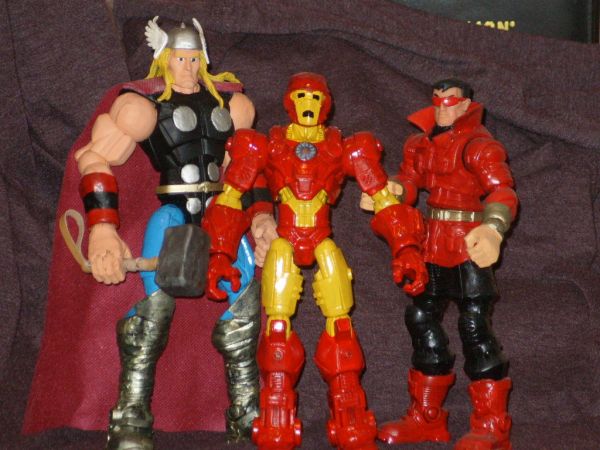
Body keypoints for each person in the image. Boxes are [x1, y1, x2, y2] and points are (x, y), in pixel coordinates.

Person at [74, 17, 276, 449]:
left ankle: (247, 413)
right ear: (163, 59)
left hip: (223, 215)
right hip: (172, 216)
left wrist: (261, 217)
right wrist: (103, 229)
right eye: (180, 58)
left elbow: (250, 166)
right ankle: (130, 414)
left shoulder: (233, 106)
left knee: (244, 312)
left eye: (194, 58)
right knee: (153, 316)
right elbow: (93, 159)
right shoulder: (142, 107)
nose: (188, 67)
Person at [202, 72, 428, 450]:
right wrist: (220, 253)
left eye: (316, 97)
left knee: (341, 325)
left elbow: (383, 198)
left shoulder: (345, 147)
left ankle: (349, 410)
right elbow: (230, 196)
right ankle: (276, 411)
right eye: (301, 97)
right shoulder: (268, 144)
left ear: (327, 103)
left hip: (322, 240)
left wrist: (405, 247)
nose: (309, 104)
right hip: (285, 240)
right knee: (277, 327)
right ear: (289, 102)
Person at [375, 78, 518, 450]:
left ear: (466, 105)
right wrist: (391, 192)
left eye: (450, 101)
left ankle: (492, 424)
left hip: (469, 240)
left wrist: (493, 228)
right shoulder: (421, 143)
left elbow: (501, 190)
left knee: (474, 326)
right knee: (421, 318)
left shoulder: (479, 146)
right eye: (437, 100)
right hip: (433, 239)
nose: (442, 108)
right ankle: (427, 417)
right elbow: (411, 181)